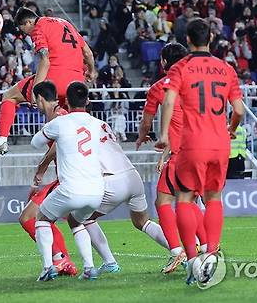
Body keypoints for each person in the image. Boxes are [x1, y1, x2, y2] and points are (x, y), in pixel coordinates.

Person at [157, 18, 244, 285]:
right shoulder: (226, 68)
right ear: (211, 39)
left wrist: (162, 136)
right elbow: (239, 110)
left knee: (184, 198)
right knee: (214, 198)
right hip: (220, 143)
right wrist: (231, 128)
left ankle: (193, 260)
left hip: (193, 142)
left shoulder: (181, 67)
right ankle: (212, 253)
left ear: (188, 40)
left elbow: (169, 99)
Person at [0, 7, 96, 160]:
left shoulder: (38, 28)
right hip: (76, 84)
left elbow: (45, 60)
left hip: (55, 80)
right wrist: (91, 71)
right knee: (58, 132)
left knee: (9, 96)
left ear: (29, 22)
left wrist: (36, 90)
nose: (26, 34)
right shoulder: (66, 23)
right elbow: (88, 53)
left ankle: (2, 141)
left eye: (24, 30)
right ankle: (63, 175)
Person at [136, 42, 206, 274]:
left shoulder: (159, 87)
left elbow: (148, 121)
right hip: (202, 150)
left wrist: (143, 135)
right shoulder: (198, 84)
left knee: (163, 201)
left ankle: (178, 251)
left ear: (164, 62)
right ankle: (207, 246)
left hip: (183, 154)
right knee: (188, 199)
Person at [30, 81, 104, 281]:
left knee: (41, 219)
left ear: (66, 102)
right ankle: (89, 267)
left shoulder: (60, 122)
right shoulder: (98, 124)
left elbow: (35, 143)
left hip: (72, 188)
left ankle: (48, 267)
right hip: (97, 191)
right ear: (87, 101)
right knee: (75, 220)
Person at [76, 120, 170, 274]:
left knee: (82, 218)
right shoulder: (102, 124)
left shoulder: (77, 129)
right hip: (132, 176)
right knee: (142, 222)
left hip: (112, 180)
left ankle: (110, 263)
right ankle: (178, 251)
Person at [17, 81, 78, 277]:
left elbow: (56, 146)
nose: (34, 103)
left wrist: (41, 168)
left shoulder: (60, 117)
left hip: (69, 180)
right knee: (53, 220)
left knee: (29, 217)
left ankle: (61, 259)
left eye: (34, 99)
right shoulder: (57, 116)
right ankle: (63, 260)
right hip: (67, 178)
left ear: (40, 98)